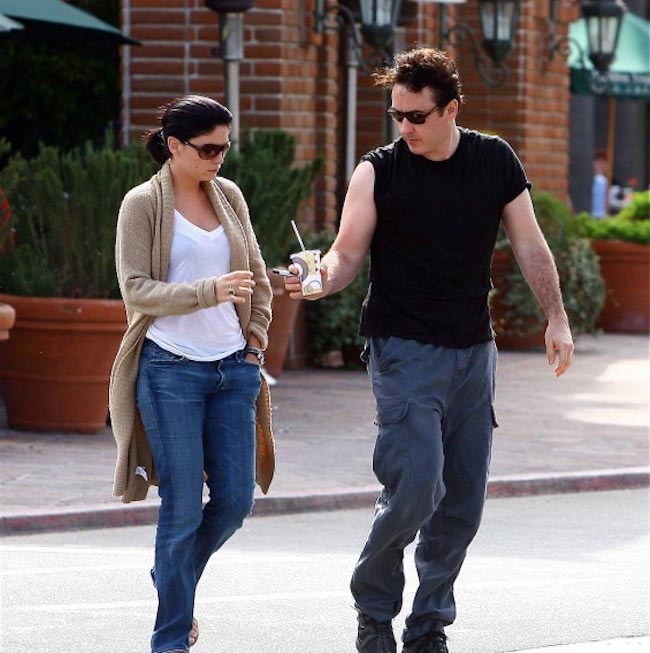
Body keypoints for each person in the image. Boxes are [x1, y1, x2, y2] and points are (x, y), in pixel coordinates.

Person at [284, 48, 574, 653]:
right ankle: (373, 607)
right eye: (397, 116)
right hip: (403, 348)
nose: (406, 128)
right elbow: (344, 255)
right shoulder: (378, 171)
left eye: (417, 116)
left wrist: (556, 317)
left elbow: (531, 246)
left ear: (451, 110)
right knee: (417, 484)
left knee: (462, 501)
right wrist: (315, 279)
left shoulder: (494, 160)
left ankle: (427, 626)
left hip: (474, 351)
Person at [108, 95, 274, 653]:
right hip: (169, 369)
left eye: (225, 147)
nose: (218, 158)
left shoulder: (229, 195)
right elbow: (135, 289)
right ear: (174, 146)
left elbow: (256, 275)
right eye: (206, 148)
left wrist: (254, 344)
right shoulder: (141, 205)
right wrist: (209, 291)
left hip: (233, 369)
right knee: (180, 507)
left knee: (234, 501)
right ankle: (170, 640)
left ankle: (171, 579)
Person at [591, 150, 608, 218]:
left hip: (602, 215)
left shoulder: (606, 181)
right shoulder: (591, 179)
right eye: (598, 161)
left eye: (603, 162)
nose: (600, 165)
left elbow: (606, 200)